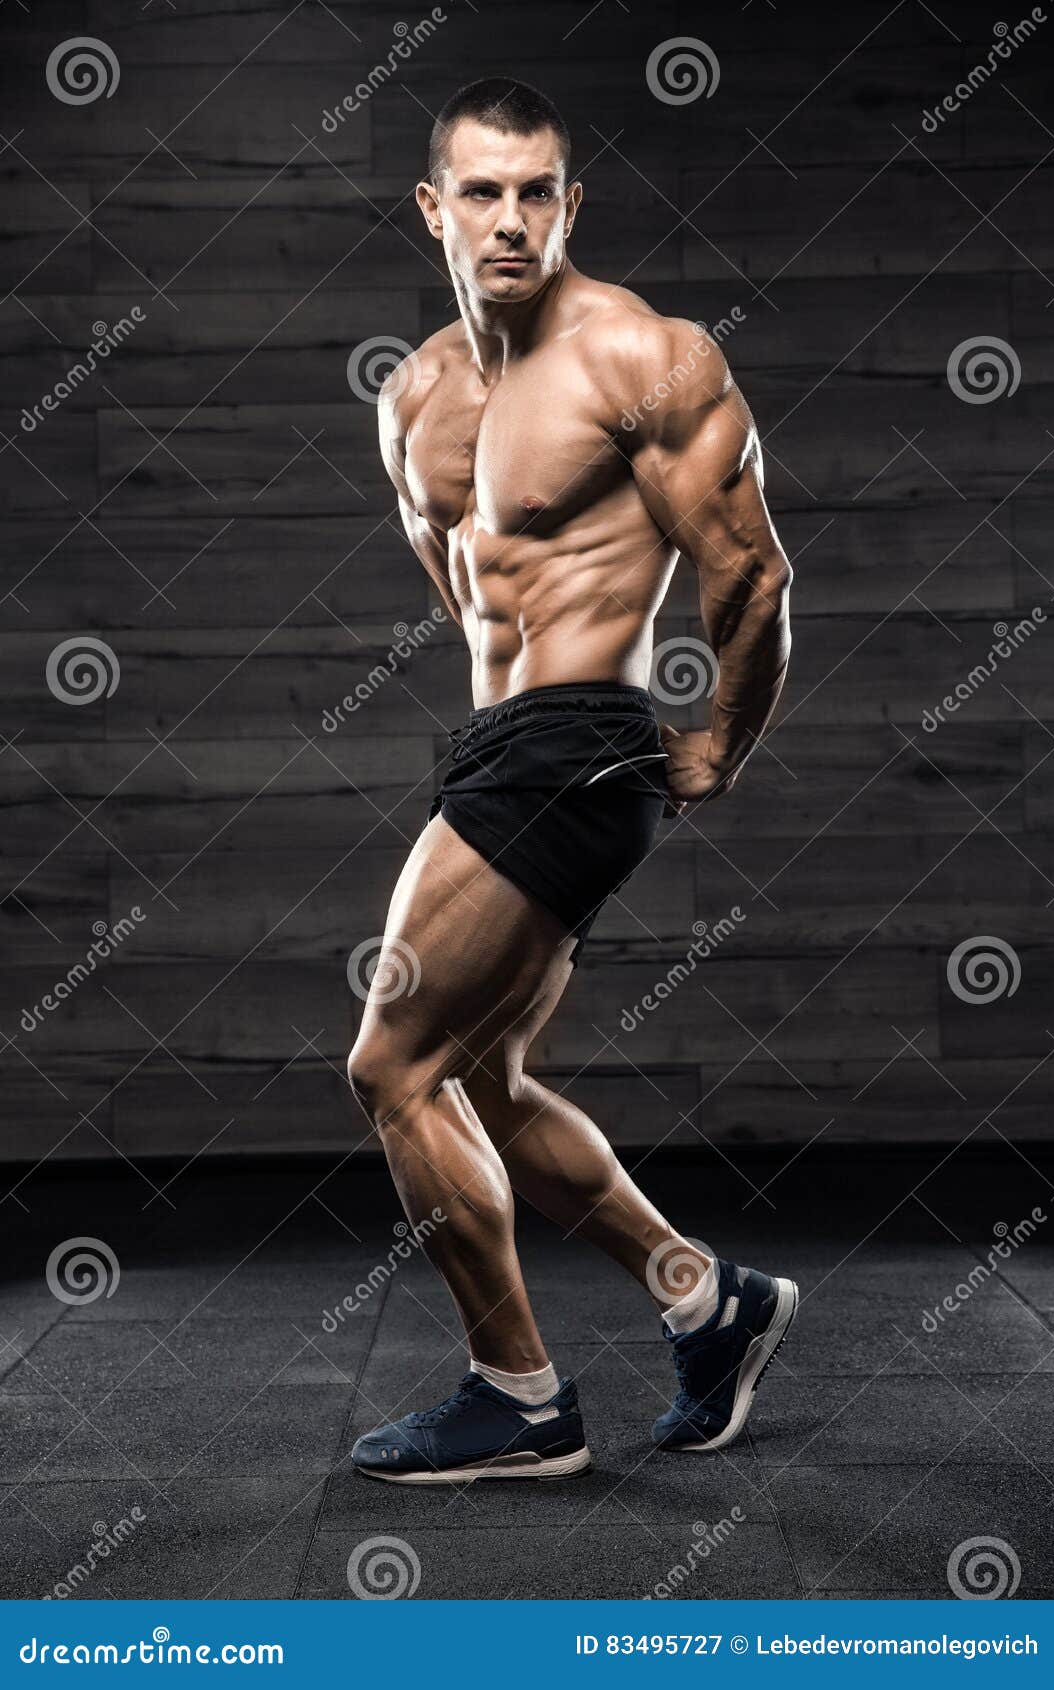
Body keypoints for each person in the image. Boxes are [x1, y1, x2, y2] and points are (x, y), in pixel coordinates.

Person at [347, 79, 796, 1484]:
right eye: (482, 192)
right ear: (435, 208)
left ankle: (521, 1395)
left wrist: (715, 741)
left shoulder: (643, 359)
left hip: (582, 739)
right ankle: (703, 1300)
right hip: (497, 746)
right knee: (478, 1070)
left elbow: (750, 569)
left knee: (390, 1060)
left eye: (538, 190)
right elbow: (464, 591)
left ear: (570, 203)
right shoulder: (413, 394)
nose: (512, 219)